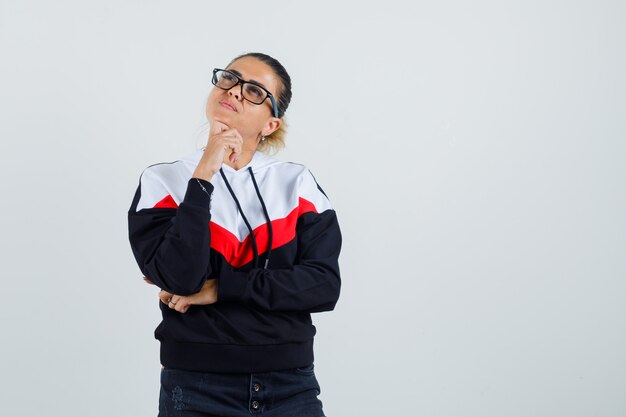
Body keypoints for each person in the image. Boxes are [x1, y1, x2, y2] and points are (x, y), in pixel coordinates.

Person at [128, 52, 341, 417]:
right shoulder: (162, 181)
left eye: (255, 91)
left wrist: (221, 288)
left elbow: (323, 286)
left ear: (270, 125)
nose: (236, 91)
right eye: (230, 78)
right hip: (195, 387)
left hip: (290, 385)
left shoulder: (297, 183)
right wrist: (204, 174)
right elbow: (181, 276)